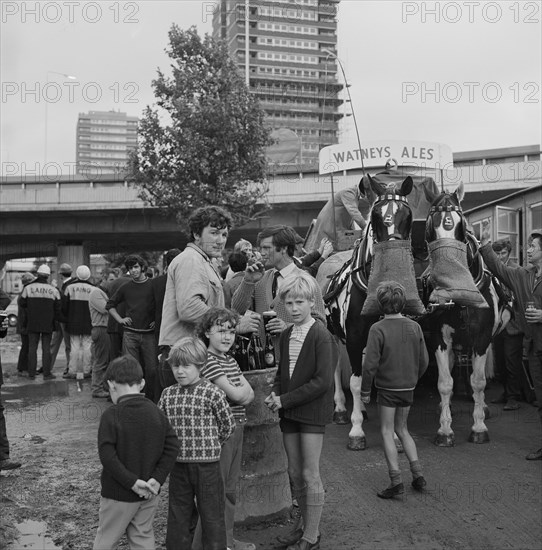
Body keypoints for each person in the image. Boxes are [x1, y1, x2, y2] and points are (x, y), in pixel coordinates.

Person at [265, 273, 337, 550]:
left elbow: (323, 382)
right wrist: (275, 392)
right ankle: (304, 526)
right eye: (290, 303)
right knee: (294, 473)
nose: (294, 308)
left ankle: (312, 534)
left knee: (310, 474)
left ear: (311, 303)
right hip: (290, 411)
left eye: (299, 302)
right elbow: (283, 373)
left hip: (311, 411)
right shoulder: (285, 335)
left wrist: (285, 400)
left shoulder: (321, 335)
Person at [158, 207, 259, 389]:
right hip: (184, 357)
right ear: (196, 234)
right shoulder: (191, 260)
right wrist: (233, 325)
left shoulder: (204, 261)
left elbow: (222, 307)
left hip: (191, 354)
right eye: (213, 233)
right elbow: (189, 308)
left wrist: (248, 283)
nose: (220, 240)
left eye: (224, 234)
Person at [93, 355, 179, 550]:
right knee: (143, 537)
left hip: (117, 495)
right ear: (141, 383)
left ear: (111, 385)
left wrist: (131, 482)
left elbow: (107, 456)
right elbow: (172, 446)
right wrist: (157, 479)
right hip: (149, 491)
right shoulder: (156, 412)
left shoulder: (111, 415)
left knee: (106, 540)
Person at [158, 337, 235, 550]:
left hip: (208, 467)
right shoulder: (167, 394)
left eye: (186, 366)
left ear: (200, 366)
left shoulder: (213, 392)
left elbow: (227, 425)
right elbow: (161, 426)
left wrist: (210, 444)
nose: (180, 371)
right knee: (178, 514)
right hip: (178, 466)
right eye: (175, 366)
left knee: (212, 515)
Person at [360, 281, 429, 499]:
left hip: (387, 389)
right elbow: (424, 360)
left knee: (387, 431)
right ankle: (418, 475)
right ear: (403, 303)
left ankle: (395, 480)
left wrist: (365, 391)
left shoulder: (377, 329)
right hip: (408, 387)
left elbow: (369, 365)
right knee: (403, 430)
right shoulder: (414, 326)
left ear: (380, 304)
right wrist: (412, 378)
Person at [194, 308, 255, 550]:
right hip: (220, 433)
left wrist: (242, 393)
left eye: (231, 331)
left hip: (237, 428)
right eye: (221, 331)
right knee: (215, 493)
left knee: (229, 490)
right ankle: (206, 544)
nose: (227, 337)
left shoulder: (229, 360)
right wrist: (241, 393)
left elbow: (250, 395)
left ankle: (226, 541)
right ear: (207, 332)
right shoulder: (207, 361)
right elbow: (239, 394)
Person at [480, 227, 542, 461]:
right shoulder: (524, 276)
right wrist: (485, 245)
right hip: (535, 348)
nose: (527, 250)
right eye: (528, 246)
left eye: (533, 247)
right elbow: (499, 268)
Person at [231, 225, 326, 352]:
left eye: (267, 248)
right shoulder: (260, 278)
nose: (262, 253)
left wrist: (288, 328)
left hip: (296, 361)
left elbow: (320, 325)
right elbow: (236, 309)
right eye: (261, 248)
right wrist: (248, 282)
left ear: (284, 248)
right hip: (264, 364)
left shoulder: (307, 282)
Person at [107, 255, 157, 402]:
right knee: (130, 370)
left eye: (135, 267)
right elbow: (110, 305)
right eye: (130, 268)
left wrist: (156, 320)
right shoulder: (126, 287)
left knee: (152, 370)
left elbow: (161, 305)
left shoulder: (153, 285)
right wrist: (120, 320)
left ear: (142, 267)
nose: (133, 271)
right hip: (130, 334)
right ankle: (132, 400)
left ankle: (150, 400)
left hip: (149, 335)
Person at [489, 239, 524, 410]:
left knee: (512, 362)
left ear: (509, 253)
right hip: (497, 324)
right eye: (497, 254)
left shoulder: (517, 270)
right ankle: (506, 393)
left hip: (514, 325)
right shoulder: (491, 272)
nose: (500, 257)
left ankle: (513, 397)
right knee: (501, 363)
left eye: (503, 253)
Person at [19, 264, 61, 380]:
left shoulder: (28, 288)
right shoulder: (53, 290)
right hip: (48, 323)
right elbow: (58, 308)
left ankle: (31, 373)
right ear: (48, 276)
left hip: (32, 322)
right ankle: (47, 374)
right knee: (46, 349)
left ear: (37, 274)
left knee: (32, 348)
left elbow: (22, 303)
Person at [304, 183, 369, 251]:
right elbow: (354, 213)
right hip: (329, 226)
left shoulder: (355, 195)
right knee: (325, 251)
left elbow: (350, 216)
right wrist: (366, 228)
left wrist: (353, 231)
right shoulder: (348, 193)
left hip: (337, 228)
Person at [62, 265, 94, 380]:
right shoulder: (94, 289)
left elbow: (64, 307)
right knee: (87, 346)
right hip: (88, 322)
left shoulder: (69, 288)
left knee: (74, 346)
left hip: (73, 321)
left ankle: (72, 371)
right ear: (89, 275)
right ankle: (86, 371)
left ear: (77, 274)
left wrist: (65, 318)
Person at [88, 269, 115, 398]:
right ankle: (97, 389)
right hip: (101, 329)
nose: (113, 283)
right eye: (111, 280)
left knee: (104, 360)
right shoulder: (96, 293)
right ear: (103, 279)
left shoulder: (103, 292)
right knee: (100, 361)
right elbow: (106, 309)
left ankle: (100, 387)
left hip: (104, 329)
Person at [50, 263, 74, 375]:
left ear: (61, 274)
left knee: (67, 345)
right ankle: (48, 365)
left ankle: (69, 367)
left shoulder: (68, 285)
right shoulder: (69, 284)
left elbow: (63, 300)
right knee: (55, 344)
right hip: (62, 319)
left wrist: (55, 289)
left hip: (64, 319)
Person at [15, 272, 36, 376]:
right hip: (25, 324)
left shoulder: (23, 291)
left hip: (23, 324)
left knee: (26, 346)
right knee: (27, 346)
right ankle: (24, 368)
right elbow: (26, 312)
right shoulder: (27, 292)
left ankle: (22, 368)